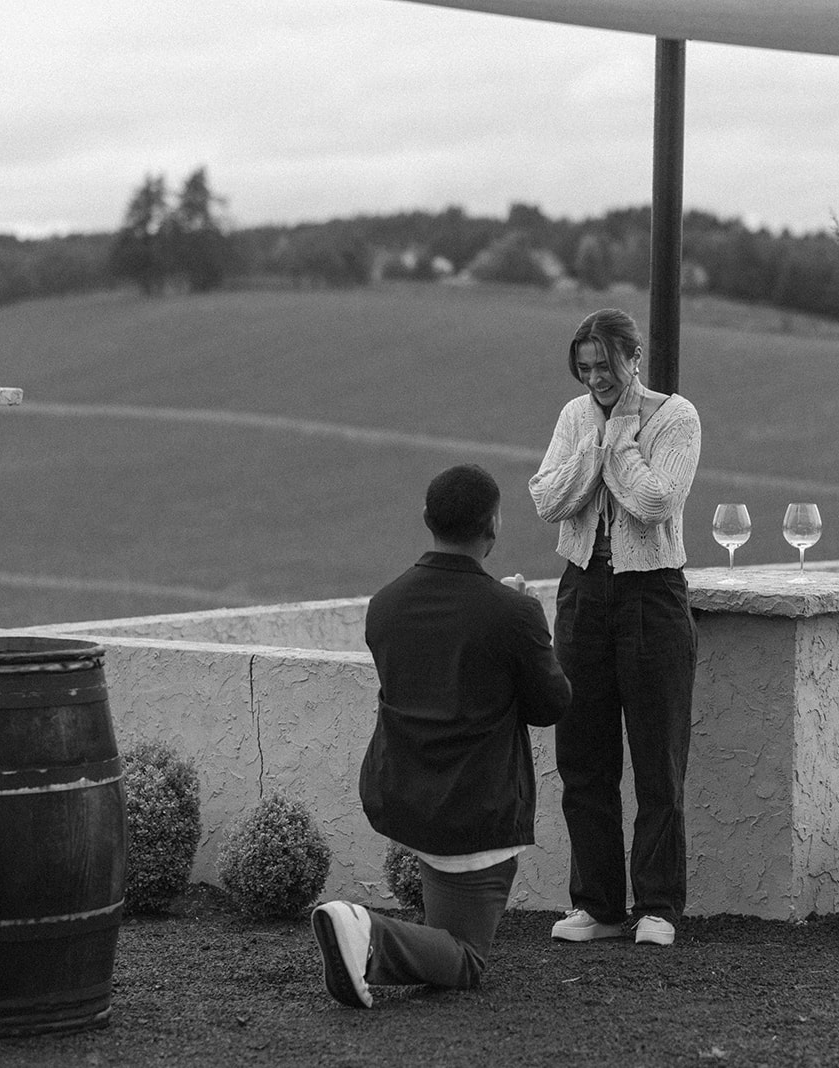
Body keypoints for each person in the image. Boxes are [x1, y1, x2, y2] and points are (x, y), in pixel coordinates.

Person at [311, 463, 572, 1008]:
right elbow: (551, 705)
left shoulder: (384, 604)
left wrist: (507, 612)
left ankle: (365, 949)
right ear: (494, 525)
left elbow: (440, 659)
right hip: (476, 810)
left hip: (404, 797)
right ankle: (366, 933)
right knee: (466, 960)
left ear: (427, 518)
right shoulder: (513, 614)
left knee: (446, 938)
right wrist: (528, 621)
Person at [528, 308, 702, 947]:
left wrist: (621, 445)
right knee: (583, 755)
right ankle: (598, 906)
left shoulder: (676, 416)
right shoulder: (575, 418)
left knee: (659, 755)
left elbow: (657, 504)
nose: (597, 378)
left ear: (634, 359)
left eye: (607, 364)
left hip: (652, 595)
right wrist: (595, 451)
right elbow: (548, 501)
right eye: (586, 367)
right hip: (581, 594)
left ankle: (658, 906)